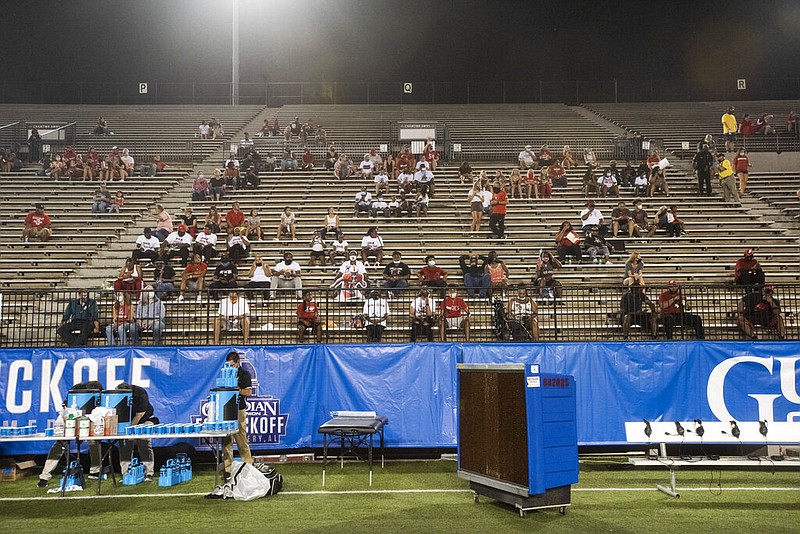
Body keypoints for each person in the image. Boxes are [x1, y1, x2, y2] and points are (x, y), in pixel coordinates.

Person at [37, 380, 105, 487]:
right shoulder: (76, 389)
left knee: (94, 440)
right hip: (70, 418)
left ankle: (95, 471)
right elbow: (64, 408)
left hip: (87, 419)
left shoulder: (96, 395)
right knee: (60, 444)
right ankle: (44, 476)